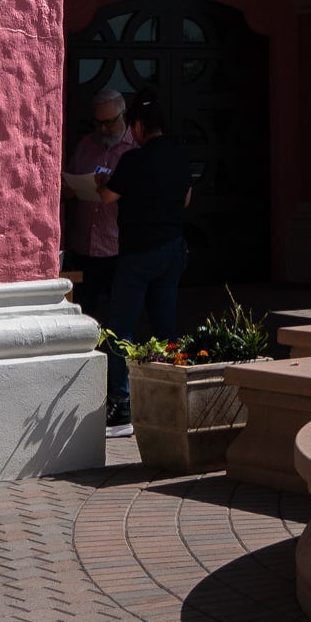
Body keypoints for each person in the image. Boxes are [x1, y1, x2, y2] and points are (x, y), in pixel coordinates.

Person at [96, 94, 193, 426]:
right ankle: (171, 394)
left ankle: (122, 400)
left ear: (137, 126)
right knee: (165, 327)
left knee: (121, 329)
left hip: (138, 253)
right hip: (172, 249)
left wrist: (101, 182)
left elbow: (108, 196)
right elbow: (186, 199)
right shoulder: (180, 156)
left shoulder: (133, 160)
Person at [63, 88, 132, 335]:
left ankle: (116, 360)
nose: (103, 129)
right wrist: (69, 188)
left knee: (120, 318)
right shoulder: (86, 144)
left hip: (117, 245)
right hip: (84, 245)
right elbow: (69, 183)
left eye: (109, 122)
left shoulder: (134, 148)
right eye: (98, 123)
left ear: (123, 115)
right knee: (84, 314)